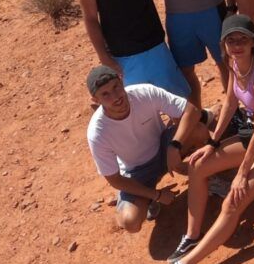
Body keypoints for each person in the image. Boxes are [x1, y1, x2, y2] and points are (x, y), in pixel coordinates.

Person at [149, 14, 254, 264]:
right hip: (249, 137)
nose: (236, 45)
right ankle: (192, 235)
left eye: (242, 39)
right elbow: (230, 103)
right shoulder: (234, 65)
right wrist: (212, 143)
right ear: (223, 44)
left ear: (253, 42)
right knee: (198, 166)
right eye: (230, 40)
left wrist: (242, 173)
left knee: (233, 201)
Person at [85, 65, 207, 233]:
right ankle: (146, 200)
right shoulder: (97, 132)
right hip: (137, 173)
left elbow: (191, 111)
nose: (116, 97)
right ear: (95, 100)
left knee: (199, 130)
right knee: (130, 221)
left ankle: (211, 178)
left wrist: (174, 145)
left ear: (121, 80)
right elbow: (114, 179)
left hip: (164, 148)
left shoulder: (144, 92)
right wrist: (155, 195)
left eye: (116, 87)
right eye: (105, 94)